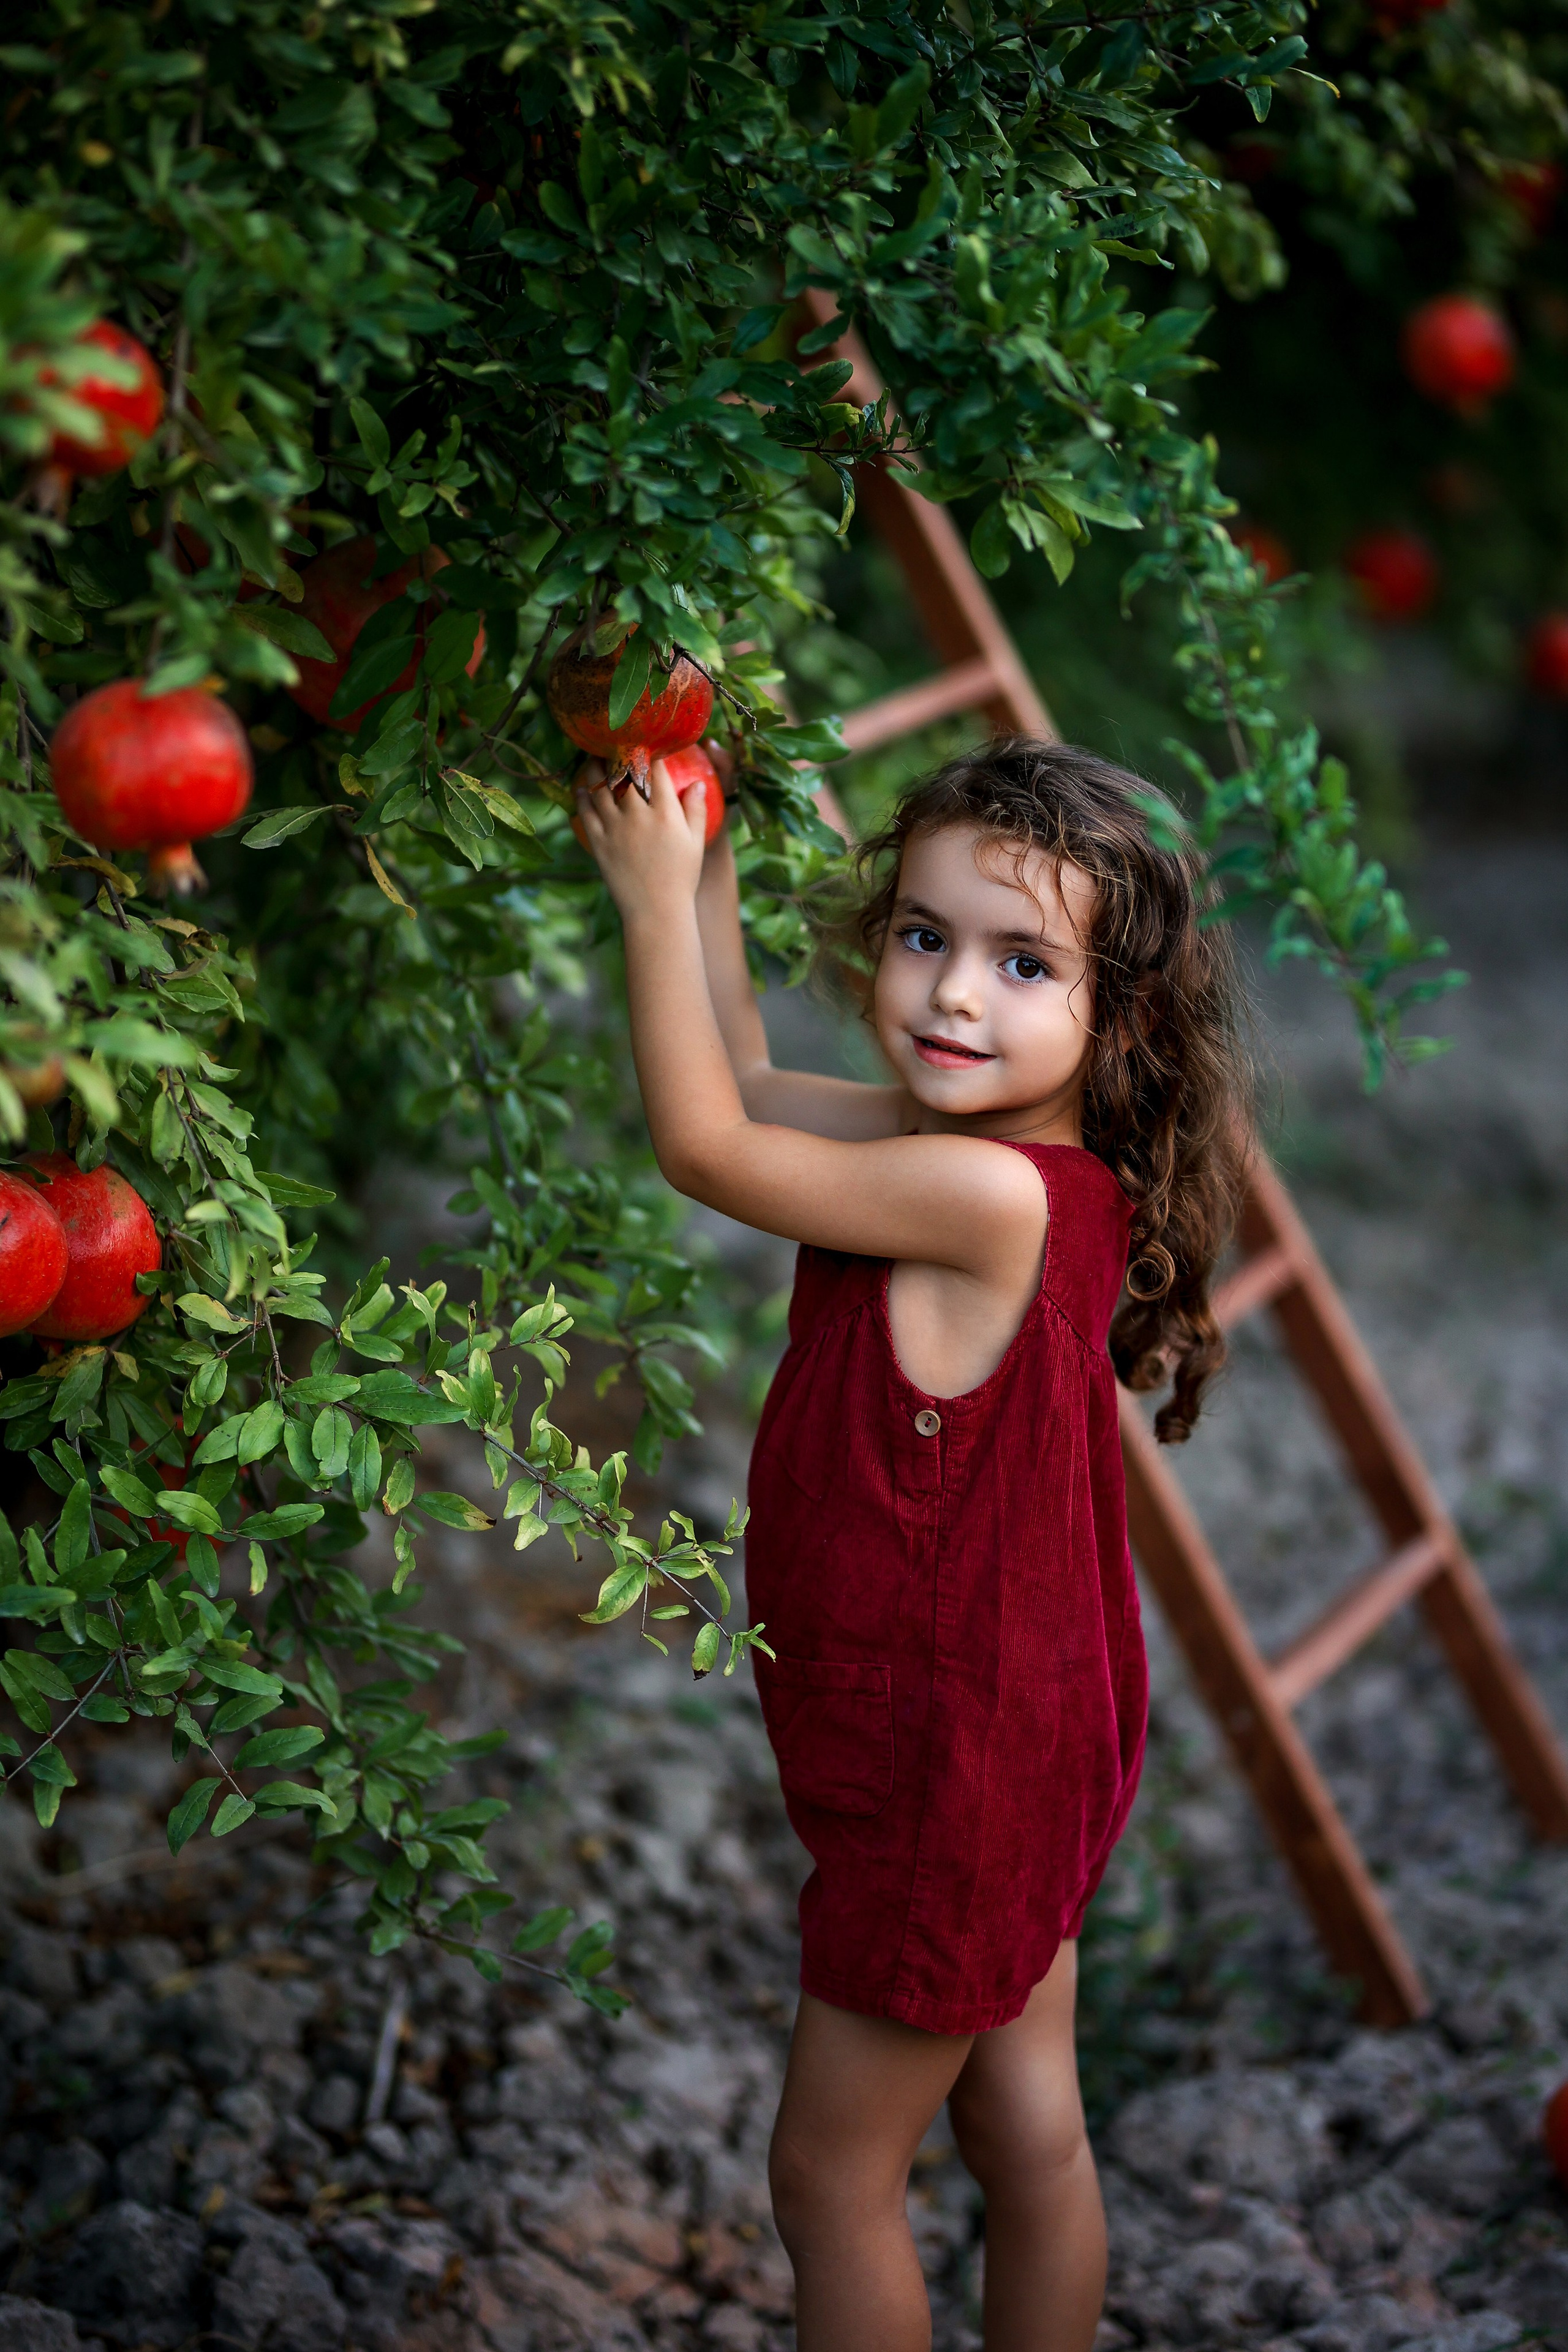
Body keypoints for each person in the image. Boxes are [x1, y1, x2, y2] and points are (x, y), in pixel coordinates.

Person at [575, 736, 1250, 2352]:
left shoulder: (985, 1200)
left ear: (1121, 1017)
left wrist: (650, 902)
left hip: (953, 1767)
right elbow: (736, 1078)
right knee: (1030, 2135)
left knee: (830, 2178)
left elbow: (704, 1149)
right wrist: (710, 849)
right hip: (1023, 1738)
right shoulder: (1002, 1164)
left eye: (1025, 963)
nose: (955, 993)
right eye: (925, 935)